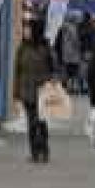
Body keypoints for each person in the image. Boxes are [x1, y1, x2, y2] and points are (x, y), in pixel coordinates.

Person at [15, 19, 56, 163]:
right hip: (27, 90)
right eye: (25, 28)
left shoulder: (45, 47)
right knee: (32, 123)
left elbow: (53, 68)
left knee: (41, 122)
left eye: (28, 29)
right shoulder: (22, 47)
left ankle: (44, 150)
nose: (25, 31)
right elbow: (17, 70)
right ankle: (34, 152)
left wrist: (52, 82)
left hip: (42, 91)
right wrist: (16, 91)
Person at [57, 14, 83, 95]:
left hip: (65, 53)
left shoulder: (63, 28)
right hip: (73, 55)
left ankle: (66, 87)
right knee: (74, 73)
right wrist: (80, 45)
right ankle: (72, 88)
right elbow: (75, 41)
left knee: (66, 72)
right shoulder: (73, 29)